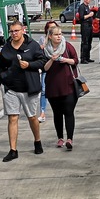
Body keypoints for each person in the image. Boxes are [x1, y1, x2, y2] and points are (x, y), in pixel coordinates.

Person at [0, 20, 46, 161]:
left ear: (23, 30)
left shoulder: (32, 46)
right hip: (11, 89)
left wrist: (29, 65)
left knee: (32, 117)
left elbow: (42, 61)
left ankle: (37, 141)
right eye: (12, 31)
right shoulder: (7, 47)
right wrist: (4, 78)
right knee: (12, 117)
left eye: (16, 31)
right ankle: (13, 150)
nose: (14, 34)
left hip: (29, 88)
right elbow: (1, 66)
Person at [41, 22, 80, 150]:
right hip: (53, 86)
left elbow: (75, 60)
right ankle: (60, 138)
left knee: (69, 112)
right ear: (50, 36)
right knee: (57, 113)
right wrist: (52, 59)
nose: (59, 37)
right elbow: (44, 68)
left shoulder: (67, 46)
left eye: (60, 34)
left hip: (68, 85)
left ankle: (70, 139)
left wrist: (64, 60)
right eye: (56, 35)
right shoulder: (45, 50)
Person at [78, 0, 94, 64]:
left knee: (89, 42)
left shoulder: (87, 7)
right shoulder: (82, 7)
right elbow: (81, 17)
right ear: (85, 0)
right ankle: (83, 58)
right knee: (85, 42)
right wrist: (89, 15)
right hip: (85, 26)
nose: (89, 0)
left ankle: (87, 57)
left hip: (90, 26)